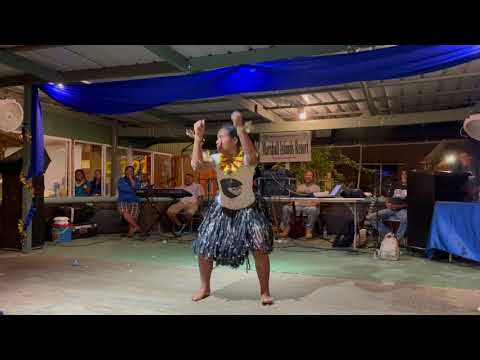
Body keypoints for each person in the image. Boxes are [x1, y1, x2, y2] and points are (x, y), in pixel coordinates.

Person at [190, 111, 274, 305]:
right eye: (217, 138)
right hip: (222, 211)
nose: (217, 141)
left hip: (248, 211)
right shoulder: (217, 159)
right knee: (204, 246)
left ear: (234, 139)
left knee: (259, 248)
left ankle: (265, 291)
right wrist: (198, 136)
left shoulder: (246, 159)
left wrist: (239, 126)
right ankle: (205, 287)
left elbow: (253, 157)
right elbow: (196, 165)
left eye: (221, 137)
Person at [366, 169, 408, 241]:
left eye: (406, 174)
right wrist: (387, 204)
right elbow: (388, 197)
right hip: (390, 209)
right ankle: (389, 235)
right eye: (403, 174)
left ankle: (397, 240)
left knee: (406, 219)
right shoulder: (395, 185)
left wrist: (397, 206)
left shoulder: (412, 187)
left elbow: (410, 203)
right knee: (370, 217)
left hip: (402, 210)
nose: (404, 176)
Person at [279, 170, 320, 239]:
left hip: (309, 207)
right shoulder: (300, 187)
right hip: (298, 206)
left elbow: (318, 201)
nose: (308, 177)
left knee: (313, 209)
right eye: (306, 175)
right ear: (304, 177)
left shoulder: (316, 188)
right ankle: (286, 230)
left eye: (310, 175)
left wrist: (315, 203)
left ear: (313, 177)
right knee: (285, 207)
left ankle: (308, 231)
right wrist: (292, 202)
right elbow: (295, 198)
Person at [117, 165, 141, 237]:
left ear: (133, 172)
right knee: (124, 213)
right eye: (128, 170)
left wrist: (131, 179)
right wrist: (132, 189)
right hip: (123, 200)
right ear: (125, 171)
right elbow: (122, 189)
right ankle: (137, 227)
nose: (130, 172)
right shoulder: (121, 180)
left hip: (134, 200)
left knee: (133, 216)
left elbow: (136, 188)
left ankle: (131, 232)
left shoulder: (136, 180)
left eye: (131, 171)